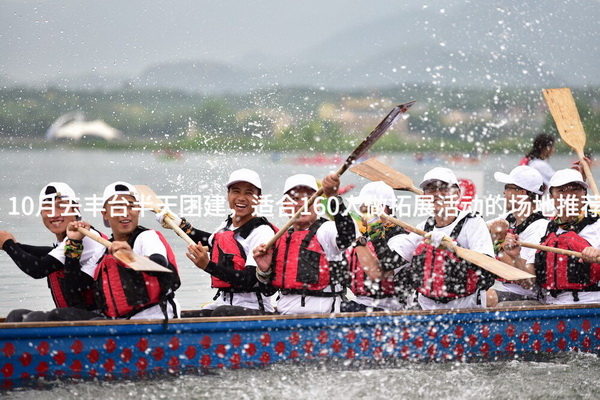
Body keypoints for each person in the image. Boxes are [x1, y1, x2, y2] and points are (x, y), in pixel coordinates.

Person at [159, 169, 278, 316]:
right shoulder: (226, 226)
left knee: (221, 312)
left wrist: (208, 266)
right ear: (228, 196)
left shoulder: (262, 232)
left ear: (259, 199)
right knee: (178, 317)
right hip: (225, 303)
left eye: (248, 193)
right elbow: (209, 241)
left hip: (256, 308)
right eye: (236, 192)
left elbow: (249, 279)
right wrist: (178, 225)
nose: (241, 198)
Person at [387, 167, 496, 310]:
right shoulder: (423, 228)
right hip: (427, 308)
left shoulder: (473, 223)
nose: (437, 194)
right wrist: (378, 229)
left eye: (443, 189)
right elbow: (387, 267)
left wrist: (453, 249)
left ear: (457, 194)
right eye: (431, 189)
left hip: (466, 308)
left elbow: (488, 270)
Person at [0, 183, 106, 322]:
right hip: (76, 316)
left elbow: (37, 269)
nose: (54, 214)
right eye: (47, 208)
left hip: (100, 319)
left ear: (75, 208)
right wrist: (16, 245)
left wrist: (9, 245)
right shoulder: (67, 241)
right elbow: (48, 253)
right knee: (16, 316)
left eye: (61, 206)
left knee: (49, 316)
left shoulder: (85, 235)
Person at [253, 173, 356, 314]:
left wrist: (333, 197)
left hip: (322, 319)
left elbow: (347, 236)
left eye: (309, 198)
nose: (302, 204)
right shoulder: (280, 239)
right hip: (285, 318)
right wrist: (264, 271)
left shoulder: (327, 230)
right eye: (294, 198)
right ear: (285, 205)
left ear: (319, 204)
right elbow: (267, 291)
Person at [503, 169, 600, 305]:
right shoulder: (545, 229)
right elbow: (528, 283)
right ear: (551, 196)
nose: (569, 196)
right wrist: (516, 257)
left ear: (584, 194)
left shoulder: (597, 225)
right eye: (561, 191)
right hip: (549, 305)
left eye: (575, 190)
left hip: (588, 304)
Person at [87, 181, 181, 320]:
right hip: (120, 324)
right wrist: (73, 244)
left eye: (131, 206)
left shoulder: (147, 237)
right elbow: (81, 287)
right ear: (105, 214)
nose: (125, 213)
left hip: (156, 320)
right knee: (63, 315)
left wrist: (129, 257)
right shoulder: (102, 250)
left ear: (138, 210)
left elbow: (159, 264)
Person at [341, 181, 412, 312]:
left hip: (392, 307)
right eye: (364, 207)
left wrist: (373, 226)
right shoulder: (365, 234)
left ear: (388, 209)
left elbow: (378, 273)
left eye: (372, 207)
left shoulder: (402, 239)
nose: (366, 211)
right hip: (361, 302)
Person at [486, 166, 549, 305]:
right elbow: (477, 228)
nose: (504, 192)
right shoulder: (509, 218)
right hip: (501, 287)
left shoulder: (540, 227)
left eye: (508, 188)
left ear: (522, 193)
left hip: (525, 294)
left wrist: (499, 242)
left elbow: (525, 280)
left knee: (485, 298)